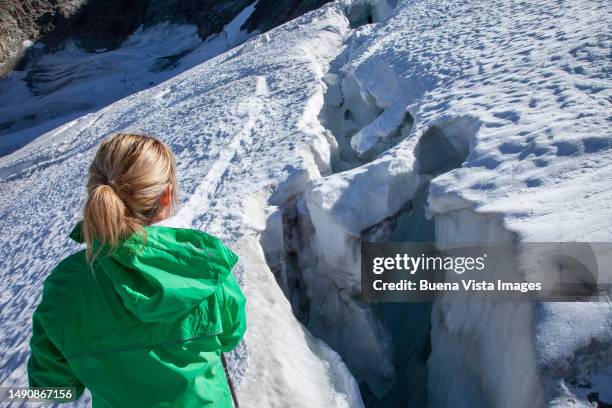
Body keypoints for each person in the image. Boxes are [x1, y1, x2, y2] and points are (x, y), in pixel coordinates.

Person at [27, 133, 246, 407]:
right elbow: (230, 336)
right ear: (166, 196)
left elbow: (52, 388)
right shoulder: (204, 266)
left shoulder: (67, 286)